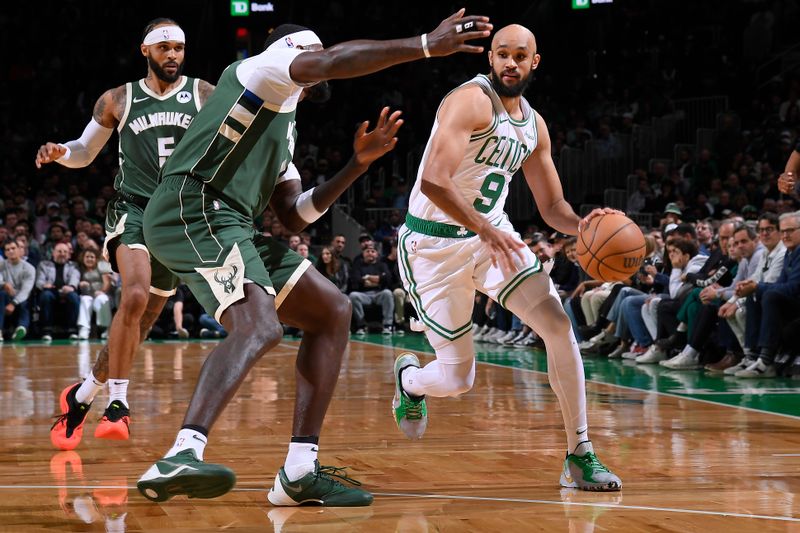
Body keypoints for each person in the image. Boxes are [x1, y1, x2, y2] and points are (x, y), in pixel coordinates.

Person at [135, 14, 492, 506]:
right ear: (291, 48)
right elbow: (330, 59)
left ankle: (299, 472)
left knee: (332, 311)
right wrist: (427, 44)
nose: (317, 73)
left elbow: (293, 216)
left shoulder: (283, 126)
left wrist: (355, 166)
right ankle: (182, 452)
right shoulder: (260, 69)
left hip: (232, 222)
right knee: (259, 327)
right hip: (191, 206)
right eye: (313, 61)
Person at [391, 24, 621, 491]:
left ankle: (580, 453)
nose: (510, 63)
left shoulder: (534, 126)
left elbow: (552, 207)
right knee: (458, 379)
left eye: (520, 55)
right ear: (490, 59)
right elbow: (435, 179)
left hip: (494, 240)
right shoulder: (469, 101)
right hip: (433, 246)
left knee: (559, 326)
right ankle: (411, 381)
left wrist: (586, 226)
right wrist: (485, 228)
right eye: (502, 55)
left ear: (535, 62)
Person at [38, 18, 215, 448]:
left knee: (142, 321)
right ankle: (119, 403)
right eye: (165, 47)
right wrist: (63, 153)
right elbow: (85, 151)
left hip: (177, 220)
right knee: (133, 296)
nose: (173, 55)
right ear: (146, 51)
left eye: (180, 48)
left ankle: (81, 396)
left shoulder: (205, 94)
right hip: (133, 209)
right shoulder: (119, 98)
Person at [35, 242, 81, 340]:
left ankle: (72, 330)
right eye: (59, 251)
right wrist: (44, 285)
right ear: (53, 253)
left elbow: (75, 278)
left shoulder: (73, 265)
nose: (62, 253)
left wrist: (71, 286)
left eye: (65, 251)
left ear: (69, 254)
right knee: (46, 295)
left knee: (73, 296)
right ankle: (47, 331)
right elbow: (39, 281)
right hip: (50, 290)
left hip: (67, 290)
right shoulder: (44, 264)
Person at [348, 243, 394, 335]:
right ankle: (361, 325)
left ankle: (387, 325)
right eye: (367, 251)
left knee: (388, 293)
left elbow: (388, 278)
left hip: (379, 293)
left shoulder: (382, 265)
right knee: (353, 296)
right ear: (363, 253)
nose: (370, 253)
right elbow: (356, 279)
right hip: (364, 295)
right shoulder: (358, 264)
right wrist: (377, 280)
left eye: (373, 251)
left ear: (376, 254)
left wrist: (367, 277)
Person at [0, 240, 36, 341]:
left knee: (25, 299)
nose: (11, 251)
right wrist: (4, 284)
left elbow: (26, 290)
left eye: (13, 248)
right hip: (6, 296)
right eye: (8, 250)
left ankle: (21, 327)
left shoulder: (29, 268)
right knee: (1, 294)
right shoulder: (1, 265)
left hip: (21, 297)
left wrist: (13, 303)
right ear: (5, 253)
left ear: (20, 250)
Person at [76, 249, 113, 340]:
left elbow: (107, 282)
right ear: (83, 258)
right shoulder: (80, 269)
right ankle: (84, 329)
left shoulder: (101, 266)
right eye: (87, 257)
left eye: (92, 257)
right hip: (87, 295)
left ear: (96, 259)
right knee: (85, 299)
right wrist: (80, 283)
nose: (89, 259)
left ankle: (105, 328)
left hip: (101, 294)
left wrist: (102, 291)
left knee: (102, 299)